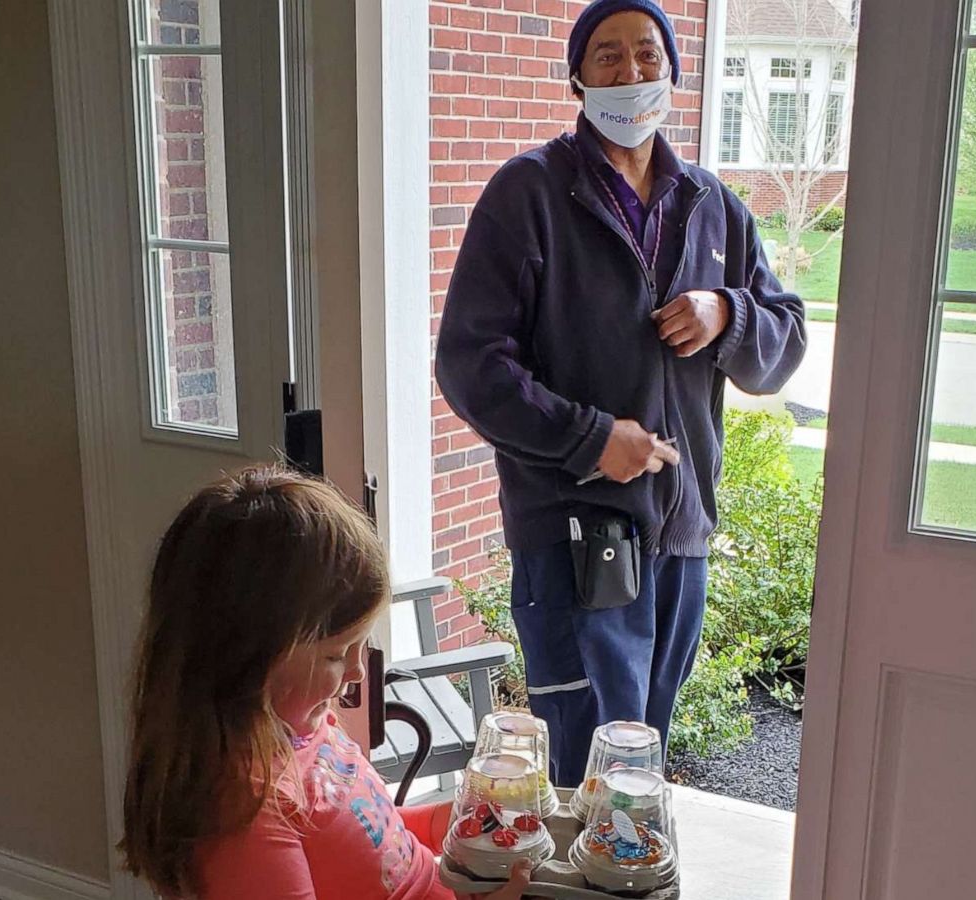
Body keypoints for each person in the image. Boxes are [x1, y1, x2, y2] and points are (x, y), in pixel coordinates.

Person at [436, 0, 807, 786]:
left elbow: (783, 344)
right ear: (576, 77)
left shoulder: (715, 208)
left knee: (642, 762)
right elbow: (472, 364)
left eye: (647, 54)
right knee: (583, 763)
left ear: (672, 70)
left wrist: (729, 313)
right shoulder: (528, 196)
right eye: (607, 56)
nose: (630, 73)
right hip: (573, 538)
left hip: (680, 538)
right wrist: (591, 439)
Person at [118, 465, 530, 900]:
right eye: (336, 654)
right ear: (246, 657)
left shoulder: (302, 728)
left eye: (361, 644)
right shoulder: (246, 816)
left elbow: (379, 850)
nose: (356, 672)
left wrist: (446, 823)